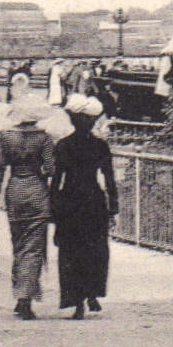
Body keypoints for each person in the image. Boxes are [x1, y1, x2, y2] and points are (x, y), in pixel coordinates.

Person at [52, 95, 119, 319]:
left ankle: (77, 300)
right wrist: (113, 208)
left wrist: (54, 211)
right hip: (93, 201)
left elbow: (56, 181)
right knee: (96, 249)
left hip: (70, 200)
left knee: (71, 251)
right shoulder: (100, 146)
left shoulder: (63, 146)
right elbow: (109, 179)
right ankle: (92, 292)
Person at [0, 100, 56, 320]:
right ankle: (25, 298)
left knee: (18, 245)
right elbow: (51, 169)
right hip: (37, 193)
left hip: (15, 192)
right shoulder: (44, 138)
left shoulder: (5, 137)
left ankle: (20, 294)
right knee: (34, 248)